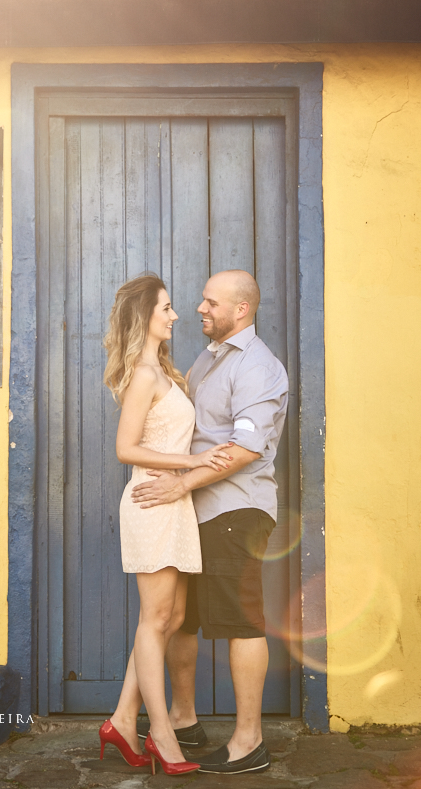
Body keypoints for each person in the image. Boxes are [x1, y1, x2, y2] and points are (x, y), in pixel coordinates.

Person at [131, 270, 289, 776]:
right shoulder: (207, 359)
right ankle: (182, 718)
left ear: (240, 309)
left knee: (241, 621)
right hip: (194, 511)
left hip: (235, 510)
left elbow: (244, 449)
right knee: (182, 621)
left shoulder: (259, 368)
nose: (200, 308)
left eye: (210, 301)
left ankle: (249, 741)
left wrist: (180, 483)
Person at [98, 274, 231, 777]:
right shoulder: (143, 374)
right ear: (145, 316)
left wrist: (196, 460)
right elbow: (126, 448)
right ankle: (160, 734)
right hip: (152, 502)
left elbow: (171, 444)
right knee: (156, 620)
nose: (175, 315)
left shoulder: (162, 369)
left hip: (173, 505)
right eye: (167, 308)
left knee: (170, 619)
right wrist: (191, 465)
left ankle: (121, 719)